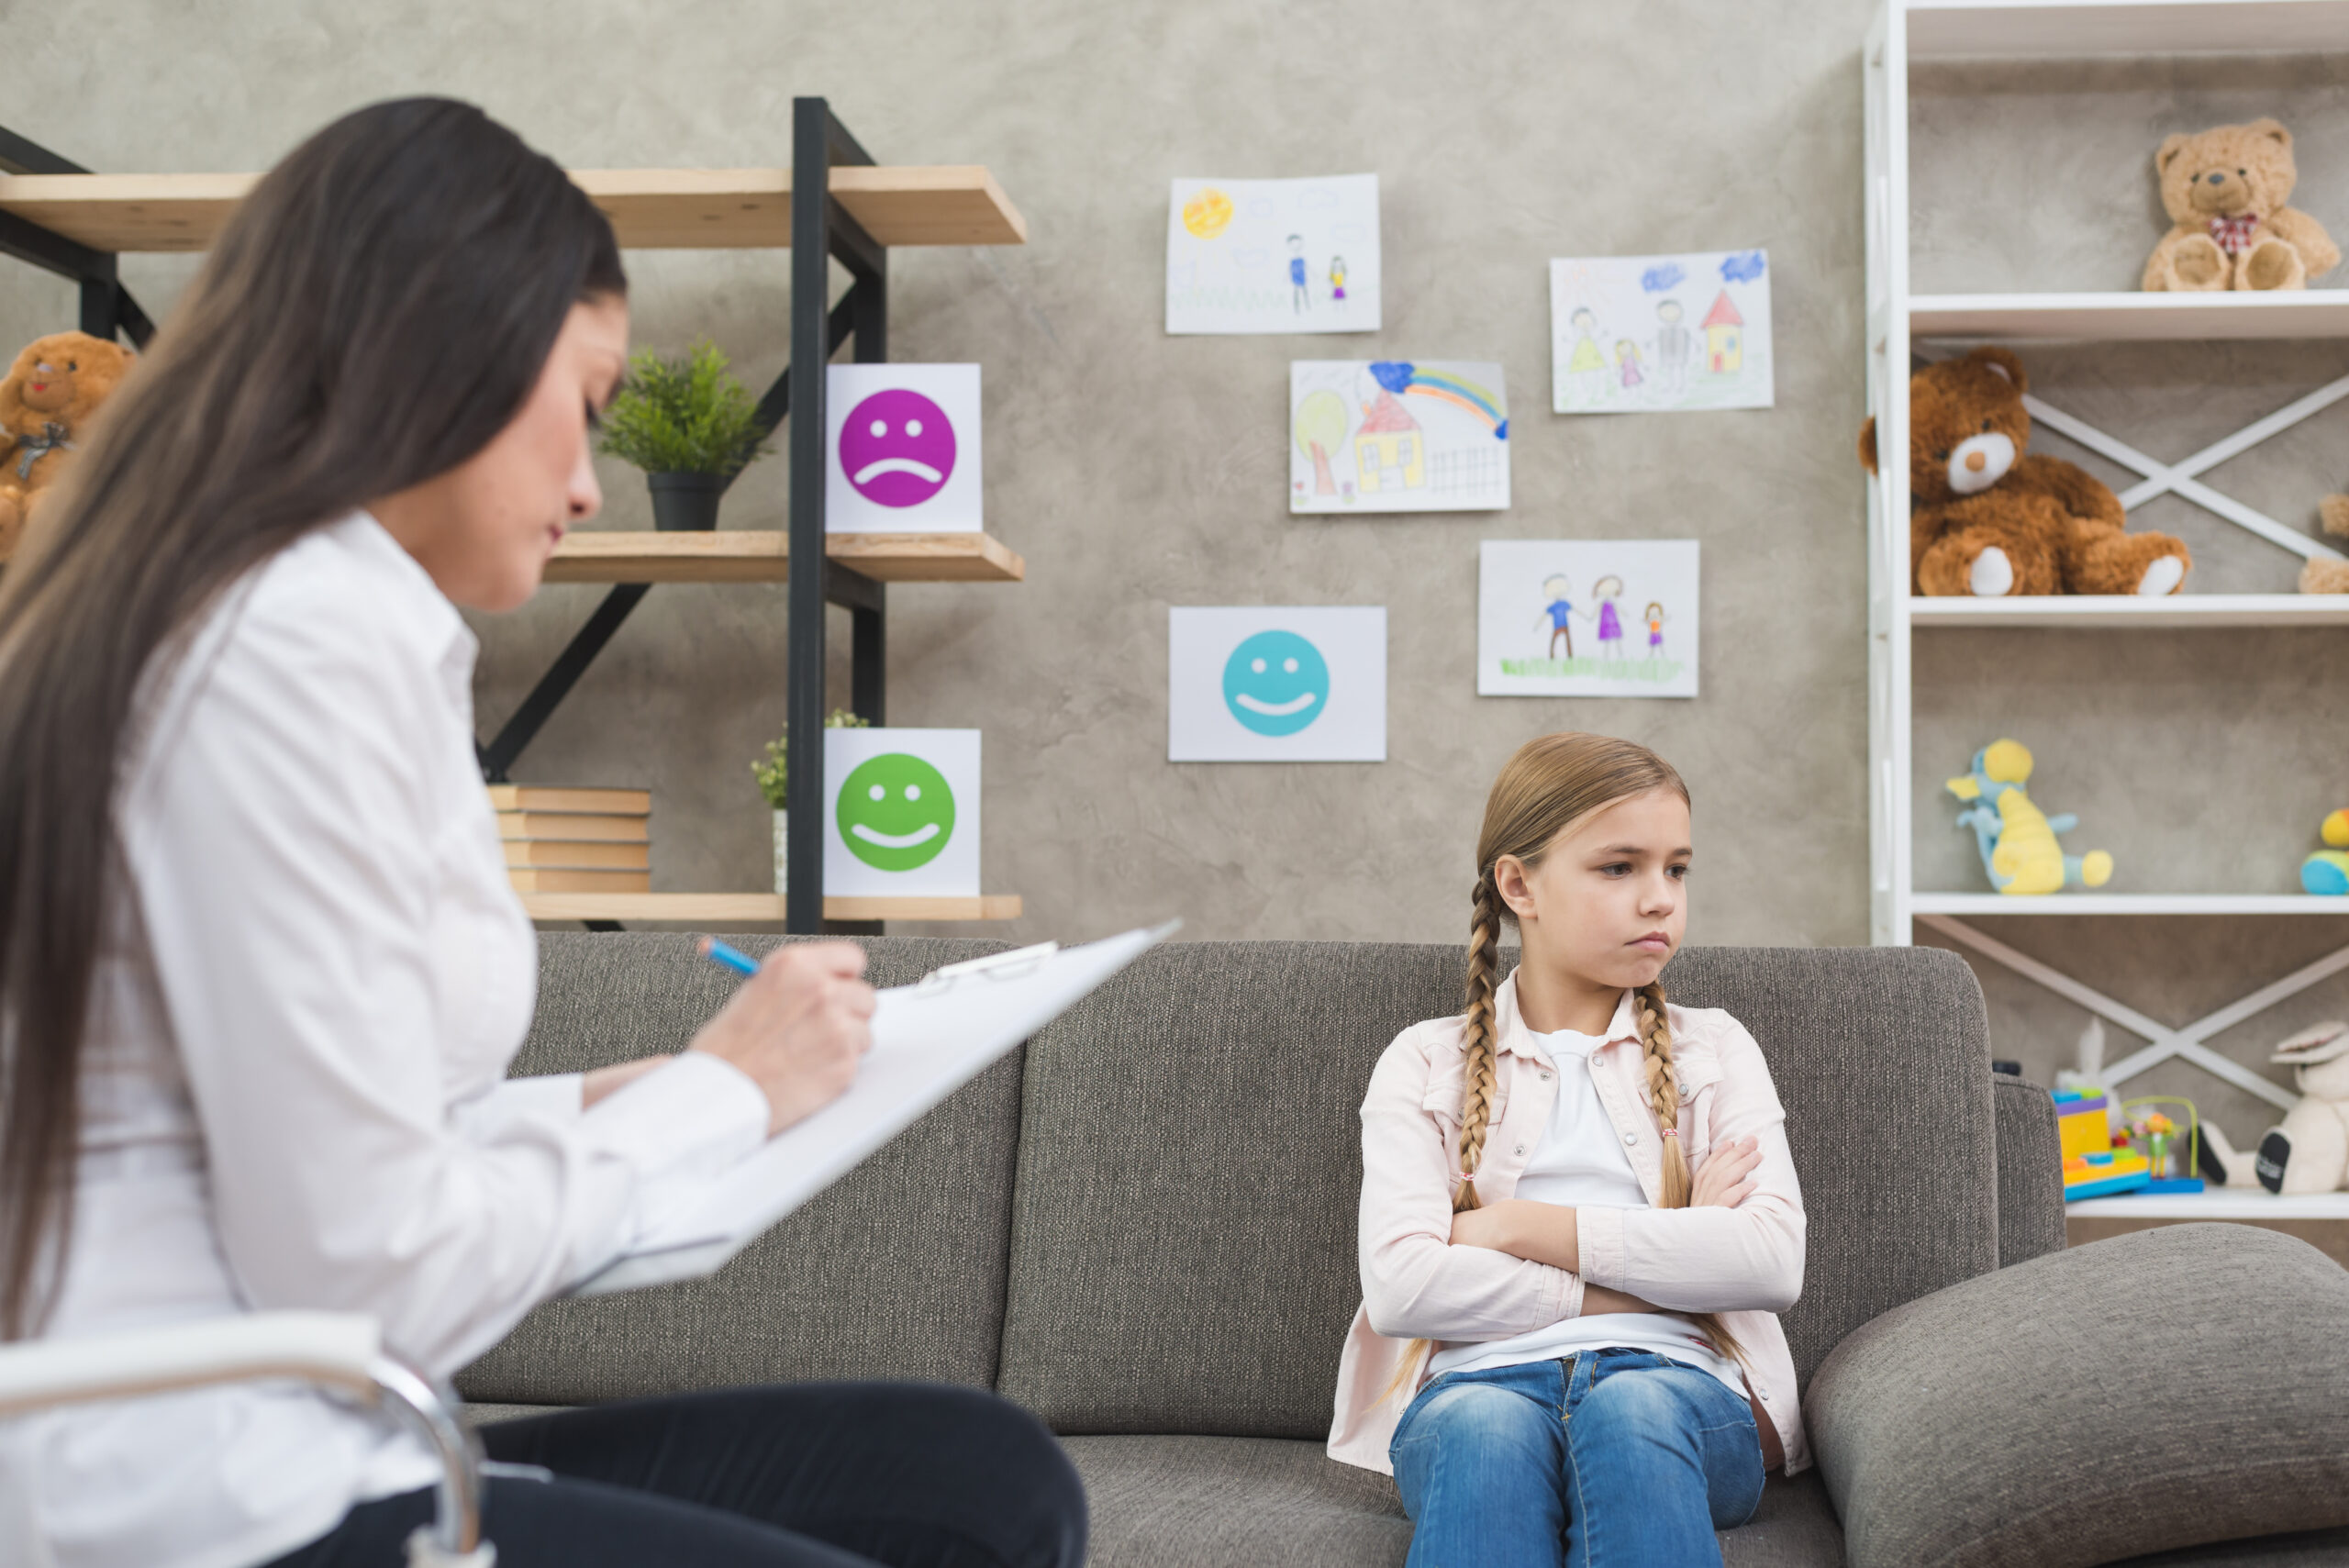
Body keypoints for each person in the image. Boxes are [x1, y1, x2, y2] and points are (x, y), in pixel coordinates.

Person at [0, 98, 1085, 1568]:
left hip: (326, 1432)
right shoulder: (279, 654)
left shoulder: (310, 622)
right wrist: (718, 1098)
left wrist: (619, 1096)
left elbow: (317, 1136)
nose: (590, 480)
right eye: (584, 401)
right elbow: (374, 1275)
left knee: (977, 1477)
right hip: (223, 1498)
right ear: (436, 360)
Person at [1325, 733, 1806, 1567]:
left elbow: (1769, 1262)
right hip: (1477, 1387)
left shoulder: (1717, 1050)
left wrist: (1512, 1224)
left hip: (1683, 1392)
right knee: (1487, 1426)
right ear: (1519, 884)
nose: (1660, 899)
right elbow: (1404, 1286)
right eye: (1620, 867)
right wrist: (1671, 1263)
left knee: (1631, 1412)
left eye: (1677, 868)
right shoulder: (1425, 1060)